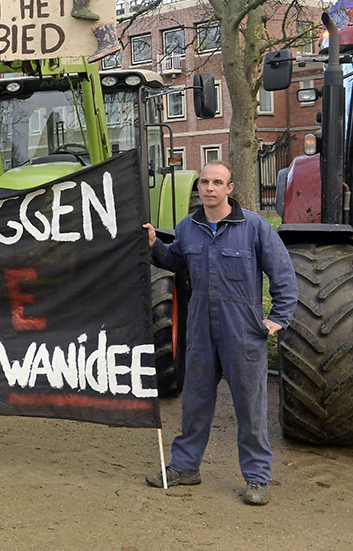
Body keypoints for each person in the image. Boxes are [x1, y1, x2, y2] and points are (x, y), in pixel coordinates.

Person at [143, 161, 297, 506]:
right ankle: (185, 467)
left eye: (217, 182)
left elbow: (284, 277)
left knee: (250, 407)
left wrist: (278, 318)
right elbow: (175, 263)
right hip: (200, 329)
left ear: (230, 188)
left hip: (242, 331)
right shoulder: (189, 227)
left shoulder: (254, 227)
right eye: (204, 182)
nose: (209, 188)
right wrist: (155, 245)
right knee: (195, 403)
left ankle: (256, 478)